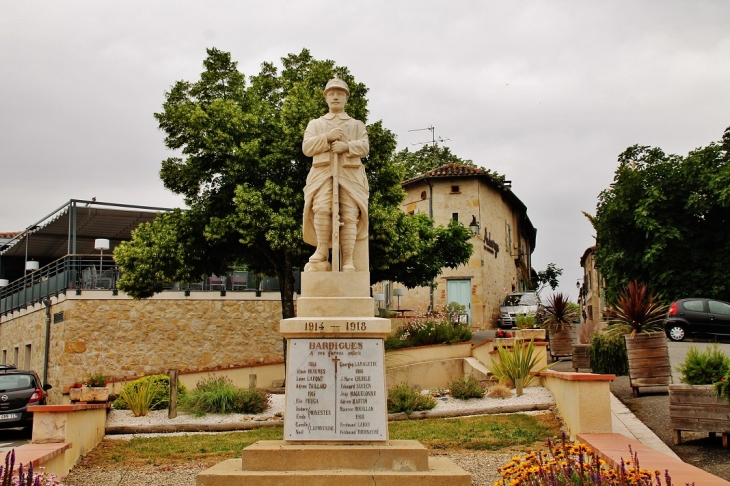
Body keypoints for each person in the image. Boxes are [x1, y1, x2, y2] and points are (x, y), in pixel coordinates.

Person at [302, 77, 369, 272]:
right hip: (323, 173)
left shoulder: (356, 125)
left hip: (350, 175)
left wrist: (347, 146)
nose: (335, 97)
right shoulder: (316, 124)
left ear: (346, 98)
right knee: (321, 208)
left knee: (349, 215)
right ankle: (322, 250)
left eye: (340, 93)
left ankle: (348, 259)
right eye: (331, 94)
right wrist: (327, 138)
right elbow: (307, 147)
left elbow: (365, 146)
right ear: (326, 98)